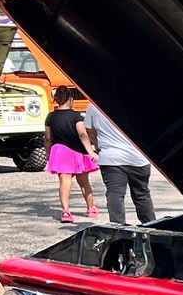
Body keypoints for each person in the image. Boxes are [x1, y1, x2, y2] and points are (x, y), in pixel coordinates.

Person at [90, 106, 156, 225]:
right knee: (141, 194)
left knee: (115, 193)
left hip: (111, 157)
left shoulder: (93, 105)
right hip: (137, 156)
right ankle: (151, 226)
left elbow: (89, 129)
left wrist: (97, 145)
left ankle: (118, 228)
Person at [44, 87, 99, 223]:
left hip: (60, 152)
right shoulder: (76, 116)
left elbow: (47, 138)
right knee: (84, 183)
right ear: (71, 99)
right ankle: (90, 208)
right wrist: (91, 150)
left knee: (64, 182)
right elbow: (82, 134)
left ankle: (66, 211)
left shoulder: (50, 116)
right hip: (77, 152)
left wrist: (48, 153)